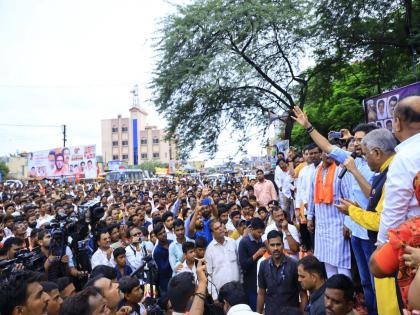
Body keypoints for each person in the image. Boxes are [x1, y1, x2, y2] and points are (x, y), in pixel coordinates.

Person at [335, 128, 400, 315]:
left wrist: (352, 211)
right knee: (368, 283)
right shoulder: (388, 170)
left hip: (391, 250)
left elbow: (381, 221)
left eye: (365, 155)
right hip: (383, 245)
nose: (364, 159)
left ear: (377, 153)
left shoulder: (392, 175)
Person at [377, 96, 420, 244]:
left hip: (413, 245)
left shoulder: (404, 158)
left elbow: (394, 212)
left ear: (397, 123)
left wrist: (382, 246)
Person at [257, 230, 305, 314]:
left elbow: (303, 294)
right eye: (272, 245)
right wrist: (258, 313)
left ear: (283, 244)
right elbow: (261, 293)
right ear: (268, 246)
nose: (275, 248)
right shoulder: (263, 265)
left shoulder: (294, 265)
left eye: (278, 244)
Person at [205, 220, 241, 299]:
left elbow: (239, 264)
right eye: (217, 228)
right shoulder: (209, 250)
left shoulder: (232, 242)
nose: (220, 229)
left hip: (237, 289)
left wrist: (241, 284)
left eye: (221, 226)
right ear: (212, 233)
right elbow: (209, 275)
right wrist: (214, 296)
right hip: (221, 293)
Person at [238, 217, 266, 311]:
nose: (261, 234)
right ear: (252, 229)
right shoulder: (244, 243)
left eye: (262, 232)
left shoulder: (262, 241)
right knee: (255, 309)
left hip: (262, 281)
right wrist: (256, 255)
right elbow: (244, 265)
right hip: (251, 283)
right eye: (259, 232)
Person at [152, 222, 173, 296]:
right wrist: (171, 255)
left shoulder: (172, 243)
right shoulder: (157, 251)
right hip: (166, 283)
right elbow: (163, 269)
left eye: (164, 232)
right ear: (156, 236)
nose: (163, 234)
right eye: (160, 234)